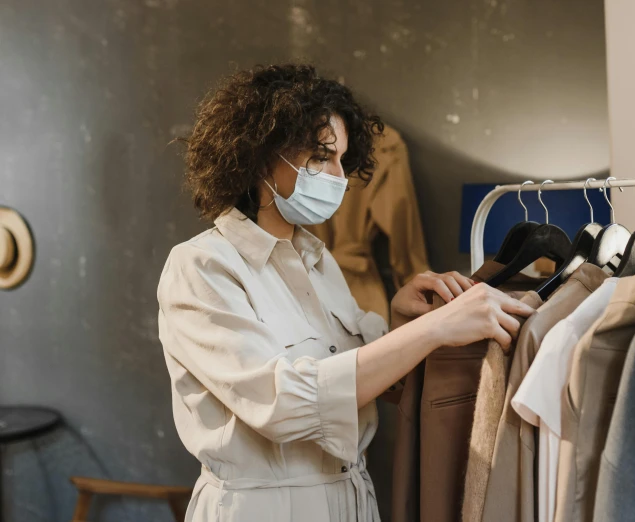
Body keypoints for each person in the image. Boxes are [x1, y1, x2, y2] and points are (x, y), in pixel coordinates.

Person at [157, 64, 532, 522]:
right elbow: (285, 404)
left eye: (341, 160)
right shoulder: (202, 267)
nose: (338, 175)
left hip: (352, 499)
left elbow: (359, 380)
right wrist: (432, 331)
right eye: (320, 157)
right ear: (259, 157)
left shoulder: (319, 260)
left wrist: (402, 323)